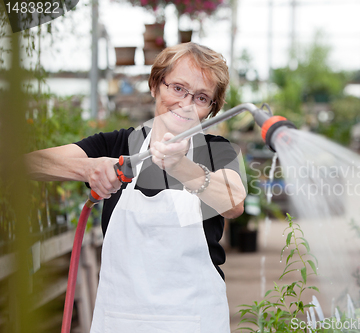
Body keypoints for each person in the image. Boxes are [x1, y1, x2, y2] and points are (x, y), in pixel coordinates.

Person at [26, 42, 246, 333]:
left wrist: (182, 166)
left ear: (211, 109)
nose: (186, 104)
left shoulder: (217, 152)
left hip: (194, 322)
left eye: (201, 97)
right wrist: (88, 167)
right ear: (155, 85)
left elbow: (234, 203)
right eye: (177, 88)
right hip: (119, 322)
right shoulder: (117, 145)